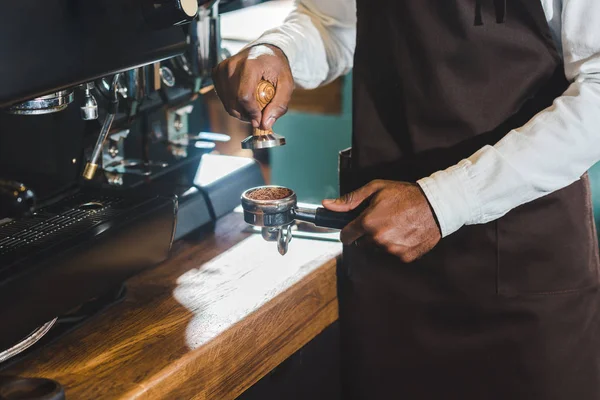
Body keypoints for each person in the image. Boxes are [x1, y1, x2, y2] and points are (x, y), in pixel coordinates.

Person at [213, 0, 600, 398]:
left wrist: (443, 201)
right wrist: (279, 50)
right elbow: (334, 23)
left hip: (525, 279)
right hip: (389, 281)